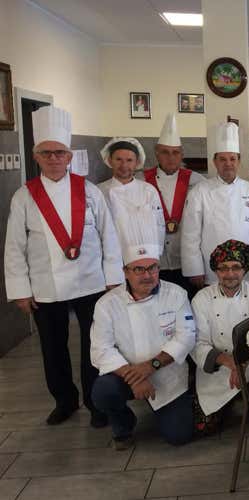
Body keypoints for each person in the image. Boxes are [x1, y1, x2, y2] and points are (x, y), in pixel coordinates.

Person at [4, 106, 123, 427]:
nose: (54, 158)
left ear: (69, 156)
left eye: (59, 152)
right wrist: (20, 290)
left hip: (92, 283)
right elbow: (14, 247)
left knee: (94, 346)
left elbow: (108, 236)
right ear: (36, 156)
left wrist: (113, 279)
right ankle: (64, 400)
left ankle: (96, 402)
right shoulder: (24, 196)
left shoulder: (89, 191)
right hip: (45, 286)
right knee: (52, 348)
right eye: (46, 153)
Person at [90, 214, 195, 449]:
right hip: (125, 377)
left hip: (167, 375)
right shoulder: (107, 304)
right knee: (103, 391)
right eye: (138, 269)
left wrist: (151, 366)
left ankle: (174, 406)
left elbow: (186, 336)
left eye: (152, 268)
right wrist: (135, 377)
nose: (147, 275)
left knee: (179, 436)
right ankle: (123, 424)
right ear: (125, 271)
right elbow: (101, 350)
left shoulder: (176, 294)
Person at [192, 240, 249, 430]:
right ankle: (231, 402)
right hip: (218, 365)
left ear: (245, 269)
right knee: (204, 427)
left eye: (235, 267)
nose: (230, 274)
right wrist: (231, 363)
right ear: (215, 271)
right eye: (223, 268)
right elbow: (198, 343)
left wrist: (242, 361)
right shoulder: (202, 298)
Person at [181, 122, 249, 285]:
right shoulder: (200, 191)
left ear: (239, 161)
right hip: (212, 270)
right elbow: (190, 234)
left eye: (232, 158)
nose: (228, 163)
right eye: (222, 159)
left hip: (247, 268)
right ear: (215, 162)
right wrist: (194, 269)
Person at [141, 113, 205, 292]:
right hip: (154, 261)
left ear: (182, 154)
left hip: (186, 261)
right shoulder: (142, 181)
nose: (170, 157)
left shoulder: (197, 181)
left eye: (175, 153)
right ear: (156, 153)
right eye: (165, 152)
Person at [98, 137, 165, 260]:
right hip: (114, 259)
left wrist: (156, 253)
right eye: (118, 159)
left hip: (148, 256)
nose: (124, 165)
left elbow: (159, 225)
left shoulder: (148, 190)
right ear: (109, 160)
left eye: (129, 160)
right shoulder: (99, 192)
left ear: (137, 163)